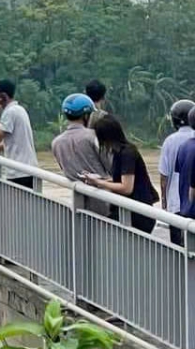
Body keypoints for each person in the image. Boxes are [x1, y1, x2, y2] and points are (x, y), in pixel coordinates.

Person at [83, 114, 158, 233]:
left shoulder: (127, 153)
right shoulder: (120, 151)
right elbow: (121, 180)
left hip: (138, 214)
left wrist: (99, 182)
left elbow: (126, 188)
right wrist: (99, 181)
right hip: (128, 211)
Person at [0, 80, 38, 189]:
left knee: (17, 205)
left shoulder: (10, 112)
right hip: (29, 169)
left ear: (3, 96)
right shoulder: (19, 110)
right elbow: (15, 142)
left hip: (18, 172)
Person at [158, 99, 195, 246]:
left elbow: (163, 176)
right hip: (192, 204)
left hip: (176, 205)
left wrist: (164, 202)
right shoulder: (191, 141)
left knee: (178, 250)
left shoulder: (170, 141)